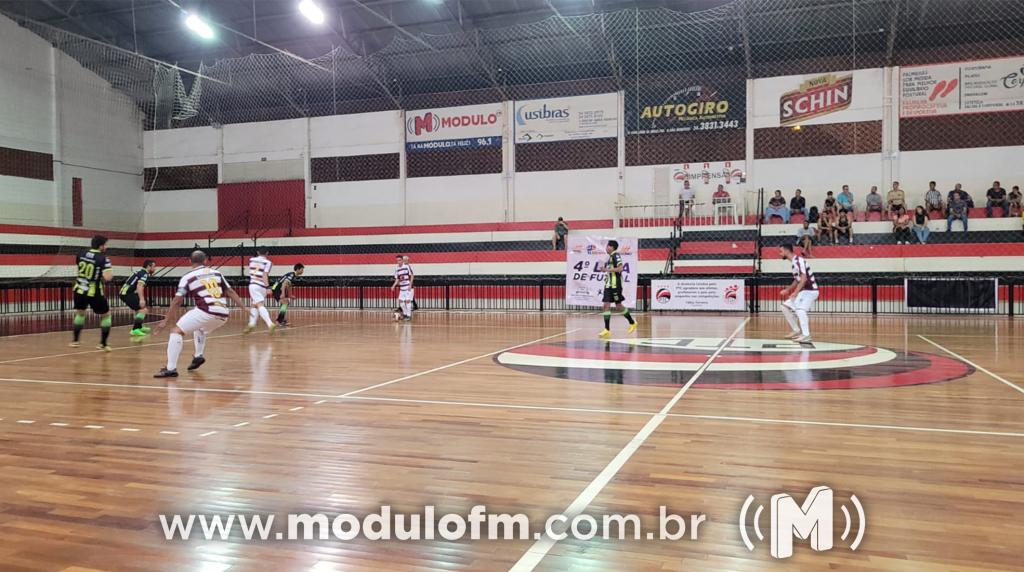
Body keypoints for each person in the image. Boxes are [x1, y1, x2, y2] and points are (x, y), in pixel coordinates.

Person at [153, 250, 246, 378]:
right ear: (206, 260)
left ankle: (171, 369)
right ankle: (198, 356)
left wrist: (166, 320)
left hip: (206, 310)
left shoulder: (188, 277)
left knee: (176, 331)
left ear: (189, 261)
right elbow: (230, 291)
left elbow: (177, 300)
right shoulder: (217, 273)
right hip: (223, 313)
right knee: (200, 328)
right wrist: (244, 308)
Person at [71, 235, 114, 350]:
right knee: (106, 316)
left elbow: (79, 268)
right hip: (94, 291)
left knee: (80, 314)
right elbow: (108, 277)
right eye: (105, 244)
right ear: (101, 246)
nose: (106, 247)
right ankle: (103, 344)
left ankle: (75, 341)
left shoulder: (81, 253)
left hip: (79, 289)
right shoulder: (104, 258)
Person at [779, 244, 819, 344]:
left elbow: (804, 278)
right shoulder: (794, 263)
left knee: (800, 310)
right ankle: (796, 330)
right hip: (804, 291)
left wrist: (795, 293)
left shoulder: (799, 260)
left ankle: (806, 335)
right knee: (784, 307)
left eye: (781, 251)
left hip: (810, 291)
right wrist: (788, 289)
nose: (780, 254)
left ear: (786, 251)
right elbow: (797, 280)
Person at [597, 240, 637, 338]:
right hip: (608, 285)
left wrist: (607, 270)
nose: (606, 248)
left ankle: (632, 322)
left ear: (611, 247)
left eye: (607, 246)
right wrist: (604, 270)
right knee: (606, 305)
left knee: (619, 306)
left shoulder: (616, 255)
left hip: (616, 285)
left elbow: (620, 268)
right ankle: (607, 329)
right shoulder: (610, 257)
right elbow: (611, 270)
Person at [119, 259, 156, 338]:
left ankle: (139, 327)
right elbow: (139, 286)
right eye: (154, 266)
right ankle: (135, 329)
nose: (155, 268)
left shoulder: (139, 271)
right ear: (149, 266)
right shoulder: (144, 274)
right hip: (127, 293)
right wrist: (141, 299)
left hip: (126, 292)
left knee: (138, 310)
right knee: (143, 310)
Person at [245, 246, 276, 333]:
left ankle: (270, 324)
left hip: (254, 284)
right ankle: (251, 324)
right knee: (254, 304)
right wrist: (267, 287)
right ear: (267, 253)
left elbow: (262, 274)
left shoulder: (251, 260)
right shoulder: (268, 262)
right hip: (262, 286)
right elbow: (265, 274)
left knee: (259, 304)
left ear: (258, 252)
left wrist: (268, 287)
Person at [391, 255, 415, 321]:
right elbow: (397, 279)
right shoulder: (397, 269)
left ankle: (409, 316)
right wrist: (393, 285)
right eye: (397, 260)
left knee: (407, 301)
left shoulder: (407, 266)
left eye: (399, 260)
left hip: (408, 287)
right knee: (401, 301)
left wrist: (410, 285)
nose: (398, 262)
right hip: (402, 288)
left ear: (402, 260)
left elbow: (412, 276)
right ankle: (404, 314)